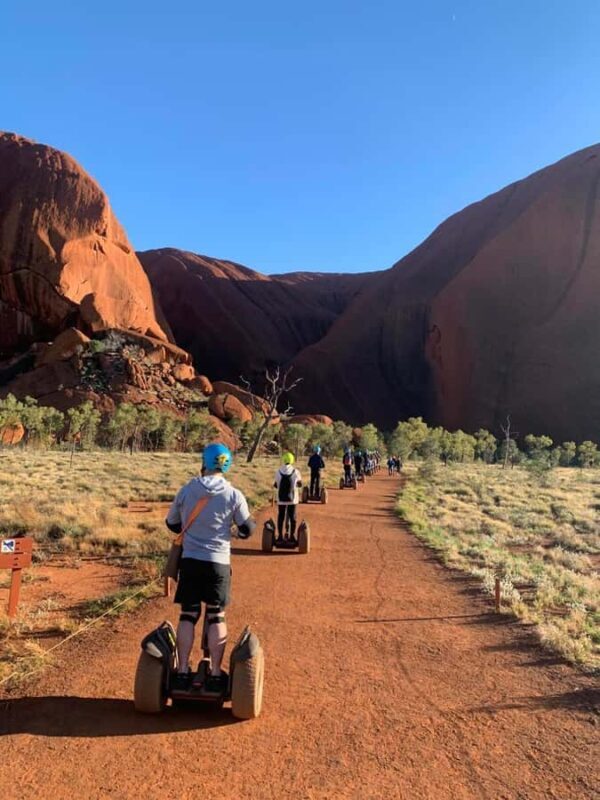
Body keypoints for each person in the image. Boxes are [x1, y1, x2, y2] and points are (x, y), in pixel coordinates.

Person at [165, 442, 256, 693]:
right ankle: (215, 674)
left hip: (191, 561)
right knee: (216, 614)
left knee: (188, 614)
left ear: (204, 461)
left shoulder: (187, 490)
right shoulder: (234, 494)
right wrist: (234, 530)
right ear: (227, 464)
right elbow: (247, 529)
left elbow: (172, 524)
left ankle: (182, 670)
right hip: (218, 563)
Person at [274, 452, 303, 542]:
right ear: (292, 460)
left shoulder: (278, 471)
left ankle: (279, 536)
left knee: (281, 516)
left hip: (281, 499)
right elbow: (300, 484)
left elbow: (276, 485)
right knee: (292, 517)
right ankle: (292, 536)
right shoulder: (296, 471)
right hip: (292, 499)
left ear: (283, 460)